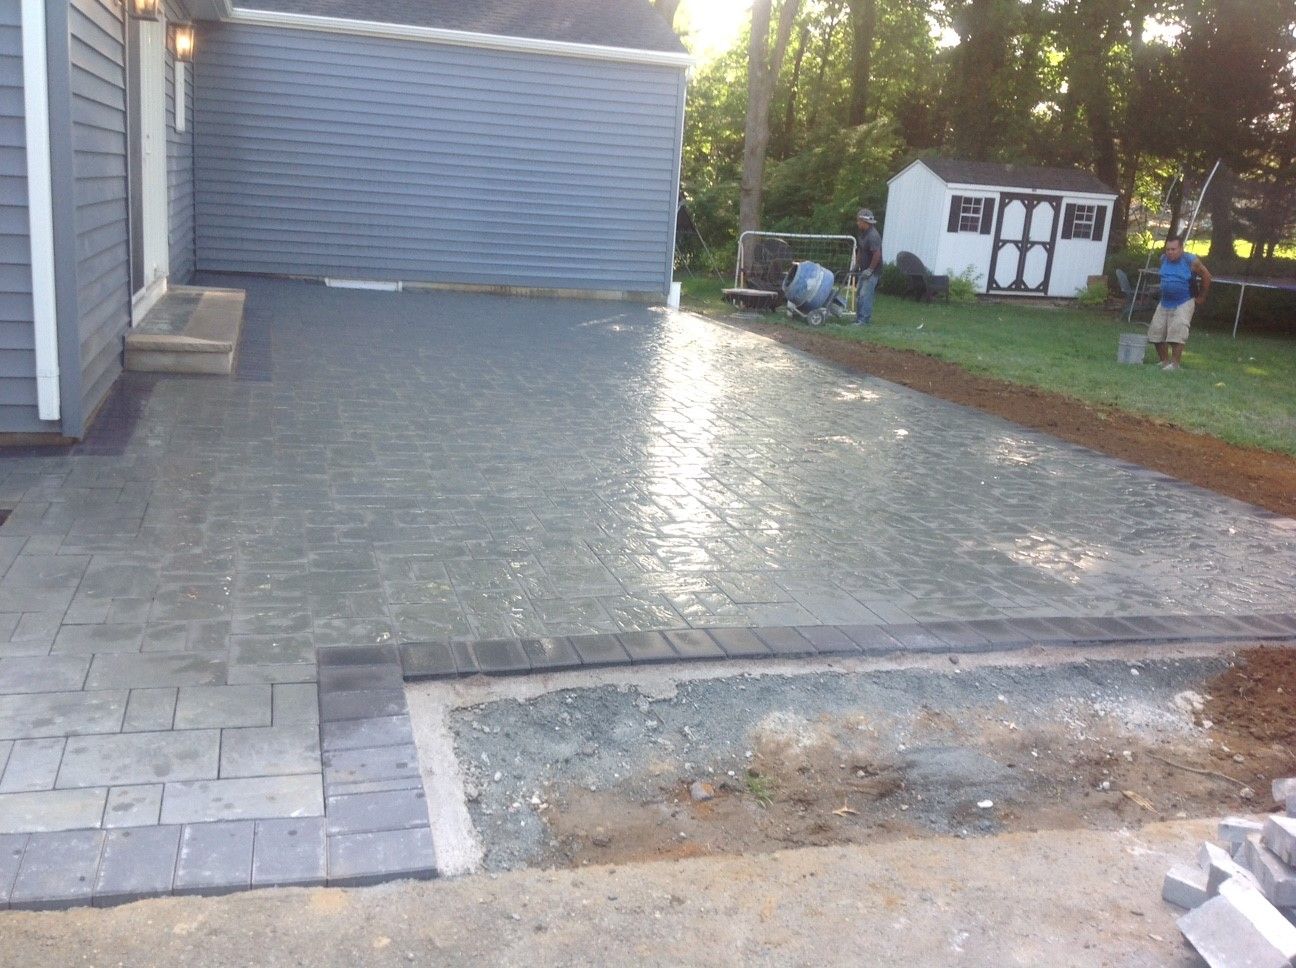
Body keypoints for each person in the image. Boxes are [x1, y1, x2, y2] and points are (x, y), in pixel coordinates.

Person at [1149, 235, 1211, 371]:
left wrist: (1201, 297)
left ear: (1181, 249)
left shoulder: (1191, 261)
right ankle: (1164, 361)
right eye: (1168, 249)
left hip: (1184, 301)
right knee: (1156, 331)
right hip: (1165, 301)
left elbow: (1207, 276)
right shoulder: (1163, 259)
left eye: (1173, 249)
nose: (1170, 252)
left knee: (1178, 331)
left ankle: (1175, 364)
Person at [853, 208, 883, 325]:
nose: (857, 223)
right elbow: (861, 250)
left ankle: (863, 320)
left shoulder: (873, 236)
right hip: (864, 269)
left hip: (872, 272)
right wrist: (856, 265)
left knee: (865, 295)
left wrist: (870, 269)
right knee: (859, 294)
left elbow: (877, 254)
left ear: (864, 222)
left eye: (859, 221)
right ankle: (858, 319)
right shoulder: (863, 234)